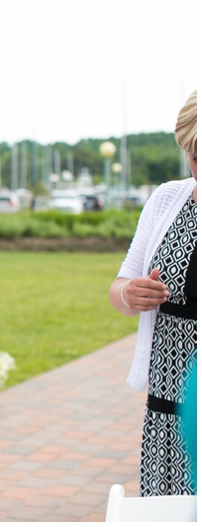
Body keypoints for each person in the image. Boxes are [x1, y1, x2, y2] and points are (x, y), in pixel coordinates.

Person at [109, 90, 197, 497]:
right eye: (194, 157)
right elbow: (118, 287)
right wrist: (131, 294)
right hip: (169, 390)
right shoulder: (167, 199)